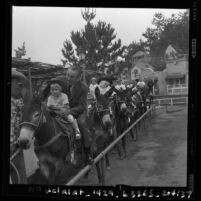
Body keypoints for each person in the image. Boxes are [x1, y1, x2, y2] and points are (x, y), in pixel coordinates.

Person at [66, 65, 94, 164]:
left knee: (82, 124)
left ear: (78, 78)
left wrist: (69, 111)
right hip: (65, 111)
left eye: (72, 77)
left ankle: (87, 152)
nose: (69, 78)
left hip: (79, 112)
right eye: (68, 75)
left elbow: (82, 106)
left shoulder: (83, 87)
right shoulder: (64, 84)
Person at [10, 68, 28, 184]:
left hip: (16, 148)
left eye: (19, 81)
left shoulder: (19, 102)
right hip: (12, 147)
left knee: (20, 179)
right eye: (14, 80)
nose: (19, 84)